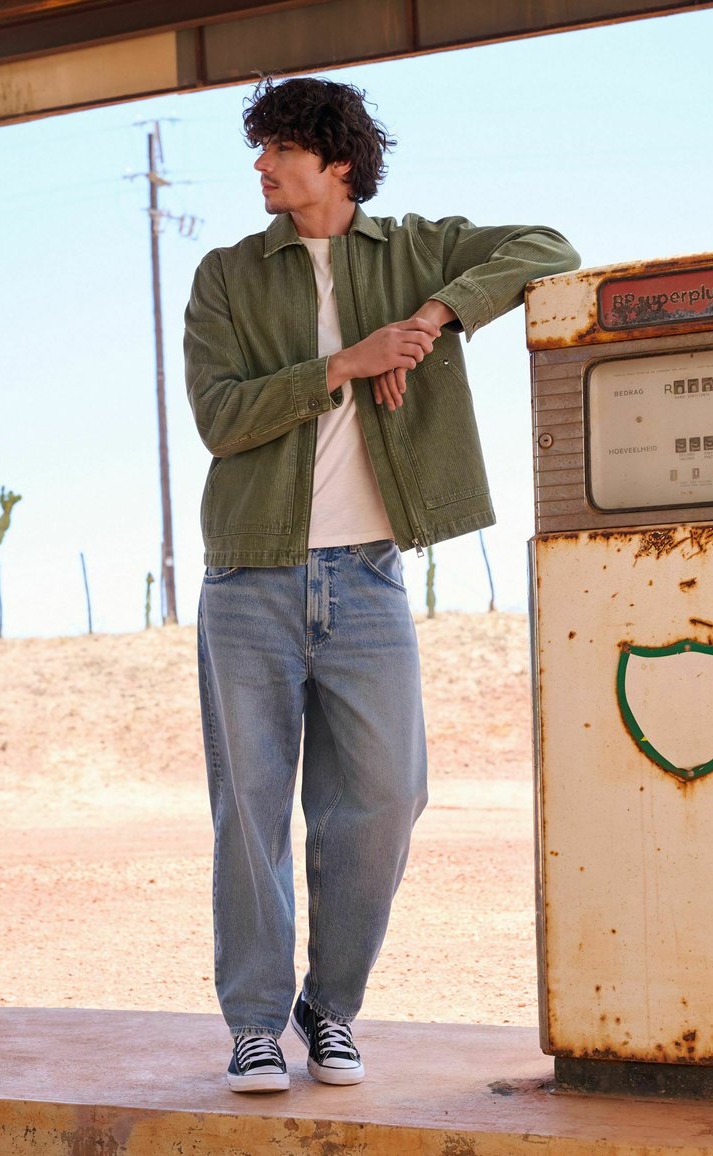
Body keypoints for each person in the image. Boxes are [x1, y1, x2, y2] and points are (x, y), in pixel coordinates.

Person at [184, 75, 579, 1094]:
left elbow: (546, 246)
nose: (261, 166)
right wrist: (346, 363)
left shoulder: (410, 249)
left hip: (365, 578)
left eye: (278, 148)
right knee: (251, 807)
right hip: (250, 576)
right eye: (260, 149)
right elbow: (221, 418)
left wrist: (435, 315)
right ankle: (255, 1023)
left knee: (388, 796)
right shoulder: (226, 275)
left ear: (337, 162)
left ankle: (331, 1007)